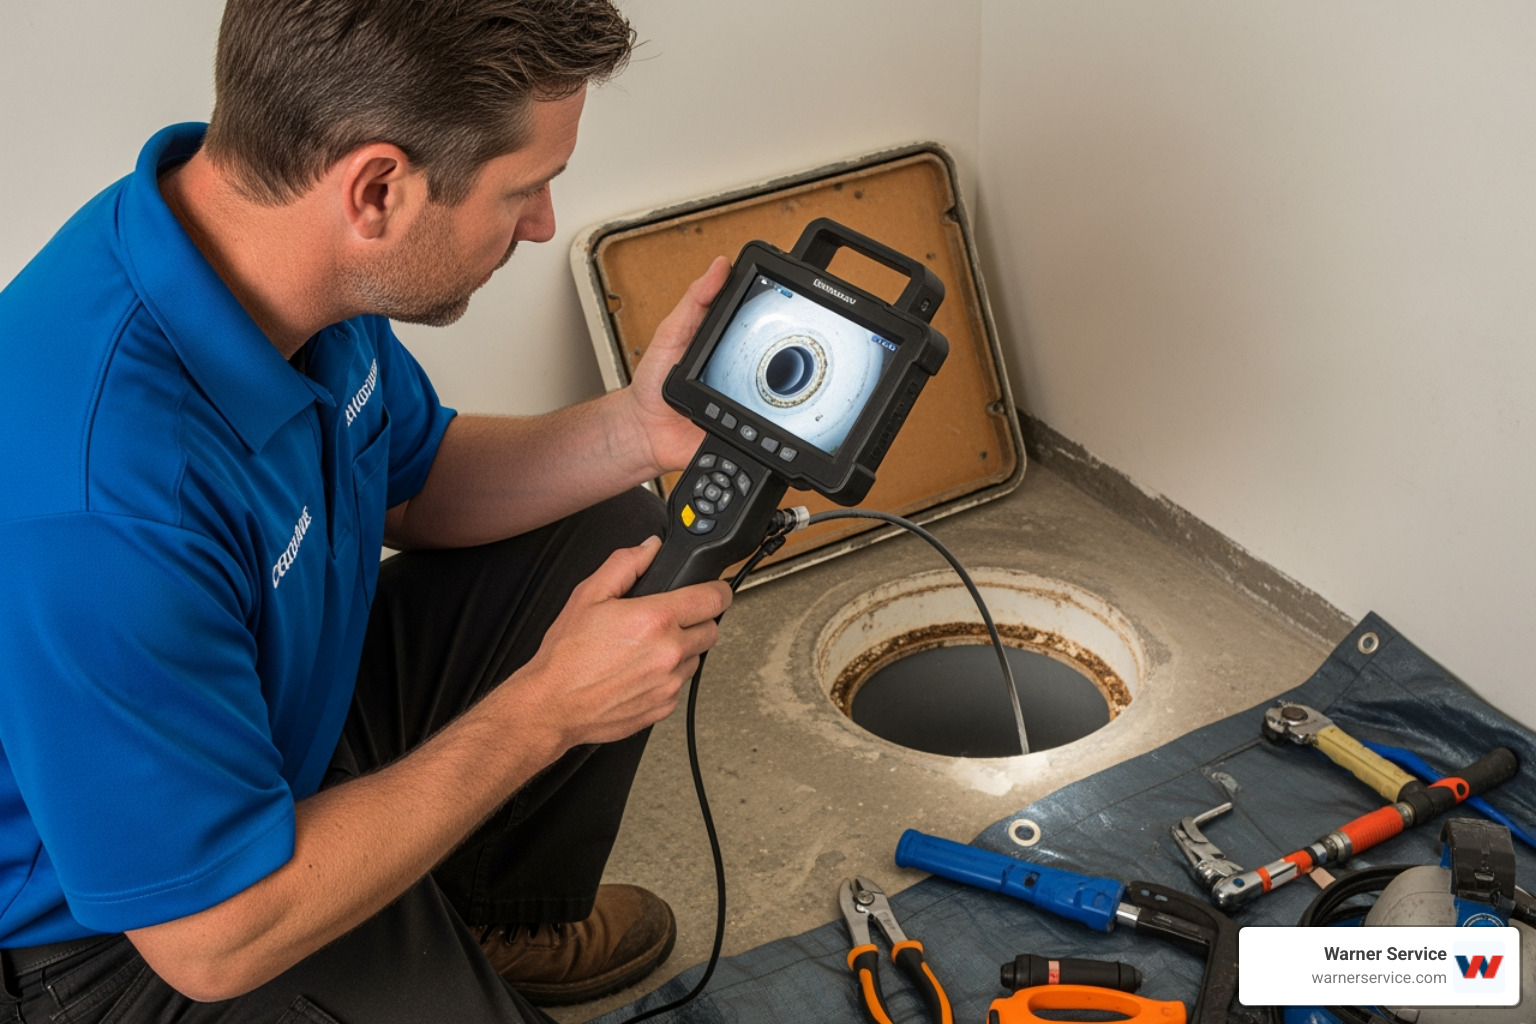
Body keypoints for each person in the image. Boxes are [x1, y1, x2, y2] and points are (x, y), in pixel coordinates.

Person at [0, 2, 735, 1021]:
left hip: (275, 721)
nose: (541, 225)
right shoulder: (104, 501)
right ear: (378, 188)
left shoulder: (252, 254)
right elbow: (213, 942)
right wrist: (546, 709)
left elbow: (414, 474)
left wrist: (637, 429)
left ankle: (491, 915)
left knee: (612, 529)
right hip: (128, 936)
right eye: (525, 190)